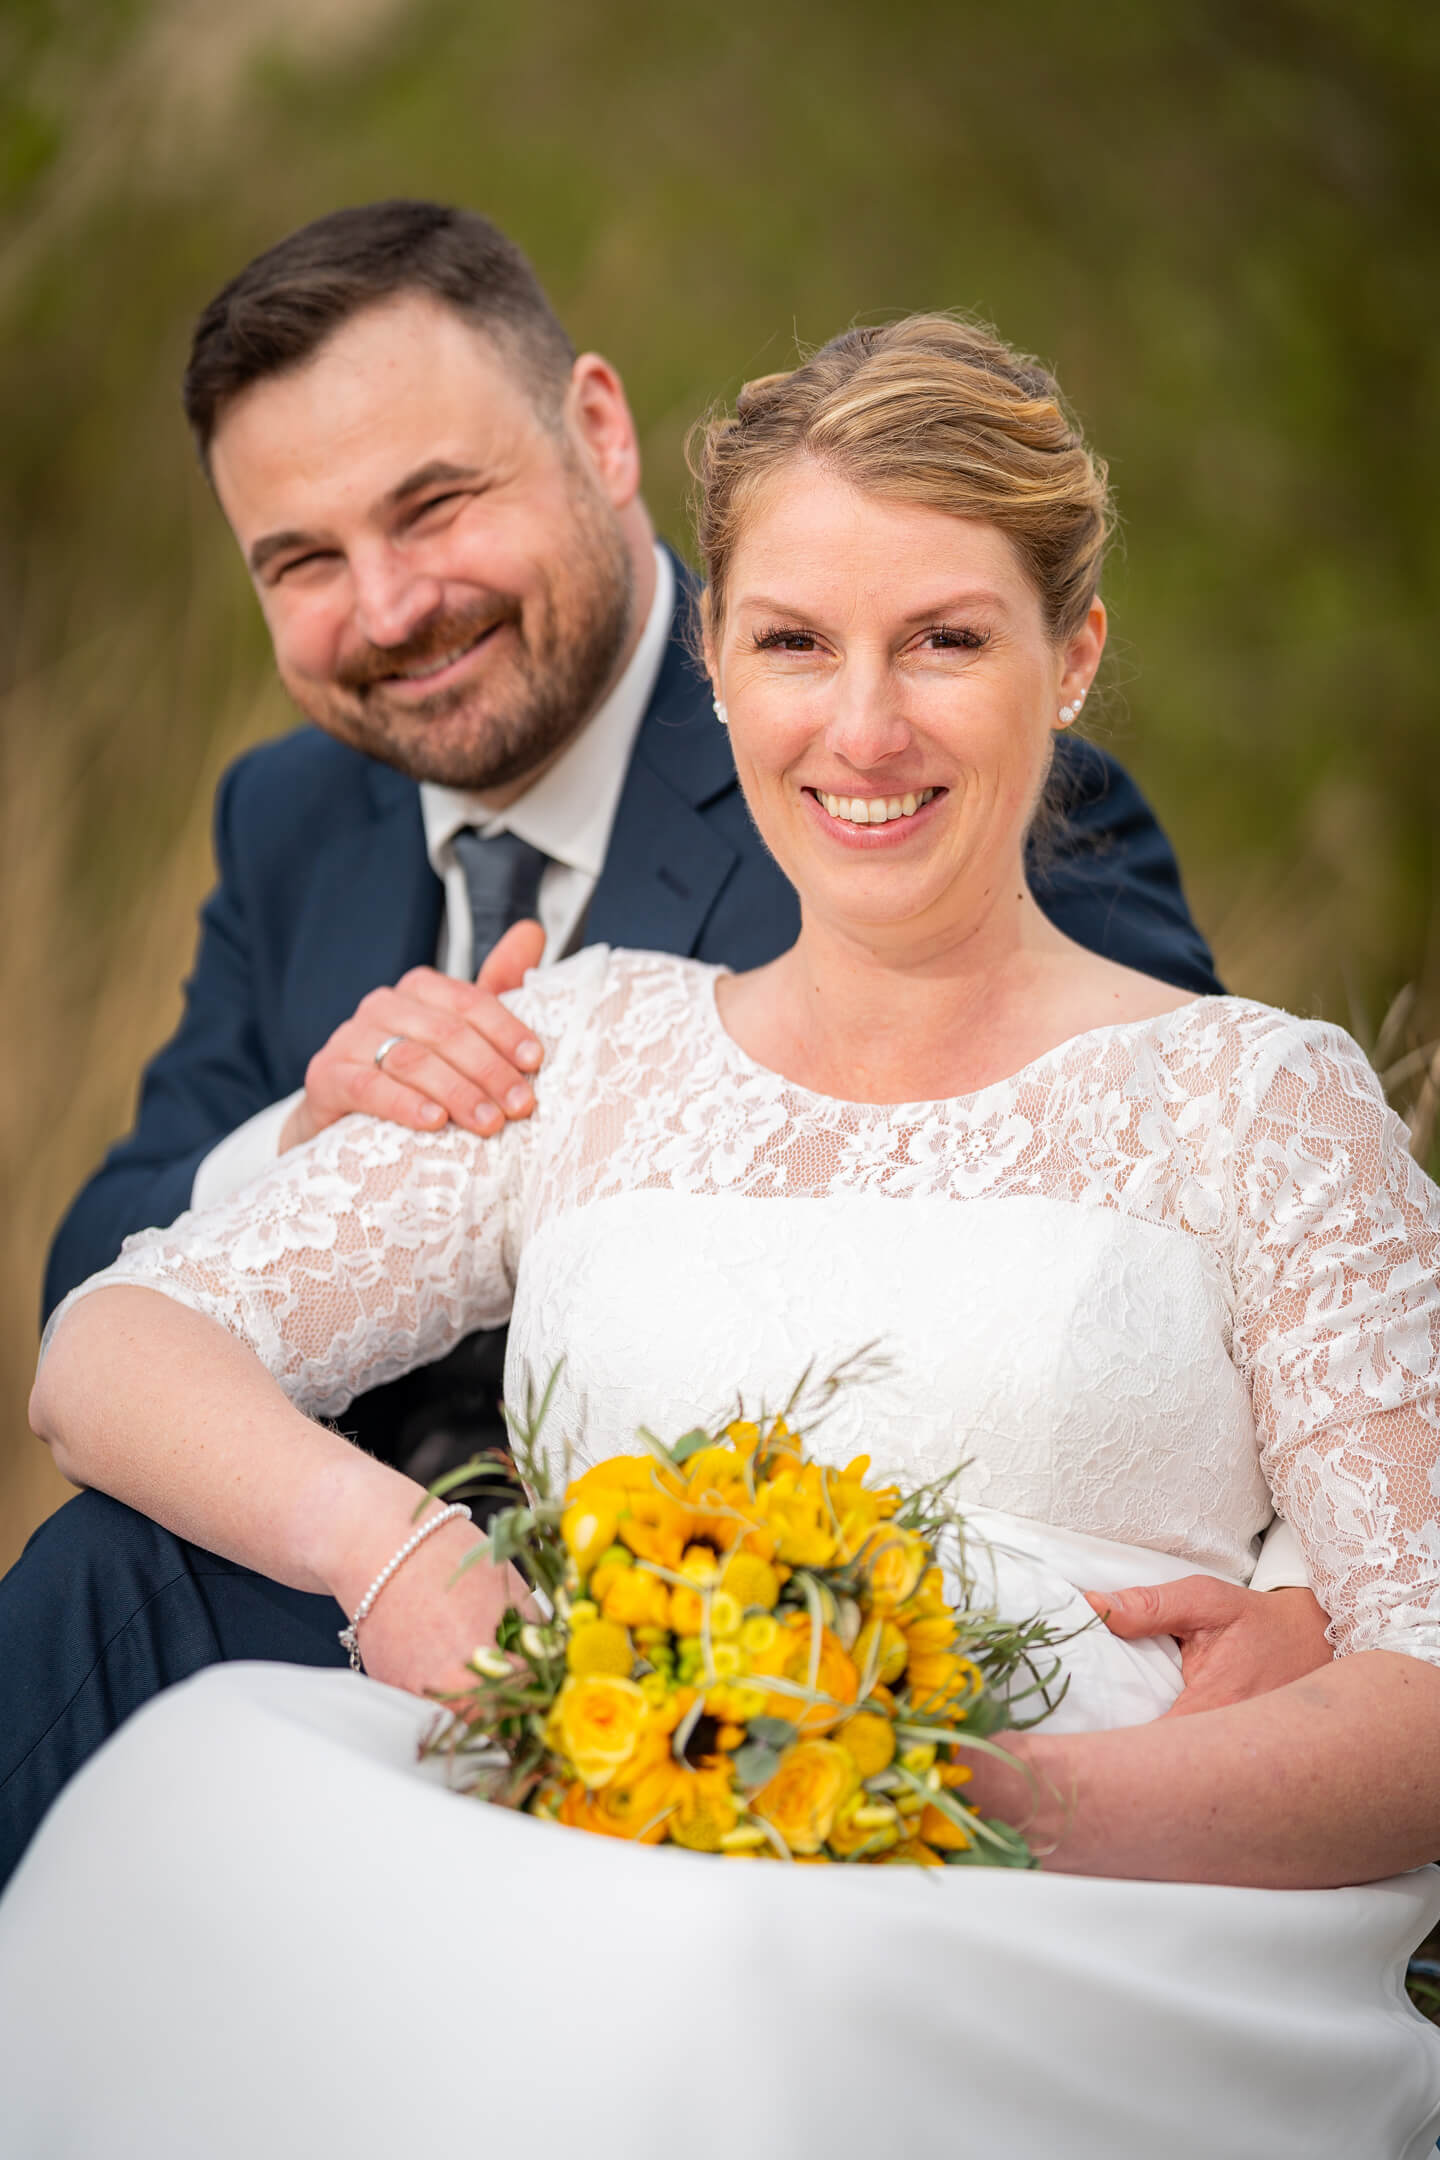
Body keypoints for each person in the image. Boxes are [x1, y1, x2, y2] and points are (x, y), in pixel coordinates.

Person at [4, 312, 1438, 2159]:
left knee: (725, 2001)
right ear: (716, 661)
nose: (864, 725)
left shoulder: (1258, 1103)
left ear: (1073, 654)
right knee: (187, 1813)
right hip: (606, 1835)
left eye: (945, 640)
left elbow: (1424, 1676)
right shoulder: (591, 1048)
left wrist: (990, 1799)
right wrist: (402, 1560)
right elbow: (111, 1350)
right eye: (793, 643)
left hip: (1076, 1905)